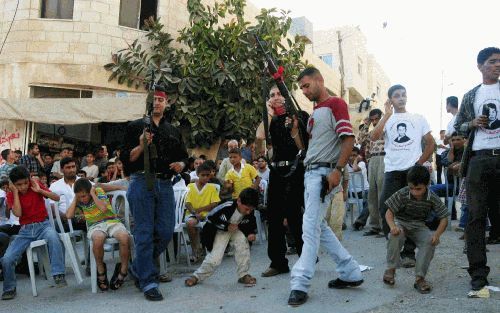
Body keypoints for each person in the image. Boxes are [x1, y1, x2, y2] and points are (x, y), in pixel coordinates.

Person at [288, 67, 363, 306]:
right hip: (313, 171)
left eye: (307, 85)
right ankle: (350, 271)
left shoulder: (335, 103)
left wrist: (338, 171)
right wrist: (295, 134)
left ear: (320, 80)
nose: (304, 91)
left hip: (323, 172)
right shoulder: (316, 111)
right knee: (318, 225)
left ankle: (300, 283)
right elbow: (307, 148)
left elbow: (348, 138)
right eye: (301, 88)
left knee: (309, 227)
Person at [121, 88, 188, 301]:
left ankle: (138, 267)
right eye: (154, 99)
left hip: (165, 183)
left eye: (161, 100)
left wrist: (181, 164)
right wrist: (141, 145)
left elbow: (184, 157)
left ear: (166, 104)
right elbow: (127, 159)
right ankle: (149, 281)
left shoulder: (172, 130)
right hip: (141, 181)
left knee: (166, 230)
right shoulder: (135, 127)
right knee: (144, 232)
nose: (157, 103)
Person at [371, 84, 435, 268]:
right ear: (390, 100)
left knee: (413, 212)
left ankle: (408, 253)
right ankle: (393, 246)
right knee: (386, 209)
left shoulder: (418, 118)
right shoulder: (388, 119)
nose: (401, 98)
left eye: (403, 95)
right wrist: (386, 114)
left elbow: (430, 144)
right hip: (392, 171)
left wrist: (419, 164)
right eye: (396, 95)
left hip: (412, 171)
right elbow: (374, 137)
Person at [454, 46, 500, 291]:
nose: (497, 65)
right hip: (479, 159)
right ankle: (478, 274)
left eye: (499, 62)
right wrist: (471, 123)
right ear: (480, 66)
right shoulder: (472, 95)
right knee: (476, 217)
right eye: (492, 62)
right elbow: (458, 125)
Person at [255, 85, 309, 278]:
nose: (276, 98)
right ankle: (278, 262)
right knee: (274, 217)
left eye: (279, 94)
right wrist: (268, 113)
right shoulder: (269, 119)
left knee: (296, 216)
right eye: (272, 95)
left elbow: (304, 146)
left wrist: (294, 126)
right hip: (277, 171)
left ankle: (306, 258)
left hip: (296, 169)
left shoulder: (300, 115)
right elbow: (260, 137)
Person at [2, 166, 66, 300]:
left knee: (54, 237)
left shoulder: (35, 185)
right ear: (13, 184)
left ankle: (58, 273)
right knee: (7, 258)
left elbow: (56, 198)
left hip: (43, 224)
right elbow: (18, 213)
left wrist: (40, 190)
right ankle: (9, 288)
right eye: (19, 185)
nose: (24, 187)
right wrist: (14, 192)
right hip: (25, 230)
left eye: (25, 182)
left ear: (29, 179)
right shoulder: (11, 194)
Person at [382, 165, 448, 294]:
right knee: (395, 235)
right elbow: (388, 213)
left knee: (429, 241)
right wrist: (392, 227)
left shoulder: (432, 196)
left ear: (427, 184)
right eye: (412, 188)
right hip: (401, 222)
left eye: (419, 189)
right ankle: (391, 269)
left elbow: (444, 218)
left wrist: (437, 235)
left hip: (418, 225)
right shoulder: (402, 193)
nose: (415, 192)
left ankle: (420, 278)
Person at [184, 188, 258, 287]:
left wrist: (250, 233)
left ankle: (243, 274)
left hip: (236, 230)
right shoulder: (226, 206)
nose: (248, 212)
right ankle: (197, 276)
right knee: (215, 257)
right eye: (246, 209)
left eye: (251, 209)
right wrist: (226, 226)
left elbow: (251, 221)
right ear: (239, 201)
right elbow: (210, 218)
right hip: (221, 230)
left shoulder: (249, 210)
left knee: (243, 248)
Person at [66, 179, 130, 291]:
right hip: (95, 225)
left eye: (84, 196)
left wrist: (92, 193)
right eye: (80, 196)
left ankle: (123, 269)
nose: (83, 199)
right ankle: (100, 269)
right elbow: (69, 215)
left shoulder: (98, 191)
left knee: (124, 237)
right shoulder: (79, 199)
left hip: (111, 221)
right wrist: (76, 199)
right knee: (98, 239)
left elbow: (104, 208)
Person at [184, 162, 220, 263]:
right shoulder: (190, 186)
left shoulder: (212, 187)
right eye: (202, 175)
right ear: (197, 174)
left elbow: (214, 204)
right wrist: (195, 213)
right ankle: (195, 249)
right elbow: (187, 203)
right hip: (193, 214)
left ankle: (204, 247)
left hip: (207, 215)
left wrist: (199, 210)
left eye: (207, 175)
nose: (205, 177)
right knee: (190, 223)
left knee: (210, 223)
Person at [357, 109, 385, 236]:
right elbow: (360, 139)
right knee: (372, 194)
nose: (374, 122)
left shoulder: (386, 126)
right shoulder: (371, 131)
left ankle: (385, 226)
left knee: (382, 193)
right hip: (372, 160)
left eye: (376, 119)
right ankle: (375, 226)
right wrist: (366, 124)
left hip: (384, 158)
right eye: (372, 119)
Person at [348, 147, 370, 231]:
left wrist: (356, 160)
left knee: (370, 199)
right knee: (369, 201)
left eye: (354, 156)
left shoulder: (362, 164)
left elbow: (355, 168)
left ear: (358, 156)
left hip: (363, 191)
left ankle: (359, 221)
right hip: (352, 193)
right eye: (350, 155)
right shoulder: (346, 165)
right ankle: (360, 221)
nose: (351, 157)